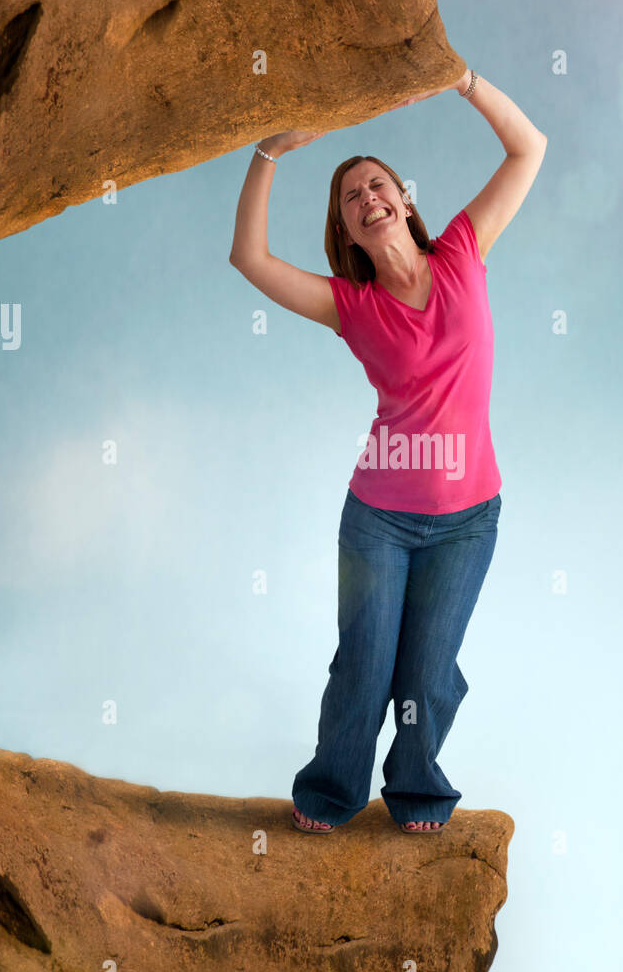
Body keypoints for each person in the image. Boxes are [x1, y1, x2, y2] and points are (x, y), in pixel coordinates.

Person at [229, 68, 546, 833]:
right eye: (350, 197)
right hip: (378, 519)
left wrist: (459, 81)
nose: (367, 197)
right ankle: (331, 792)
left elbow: (527, 148)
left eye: (375, 185)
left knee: (427, 675)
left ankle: (418, 791)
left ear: (402, 199)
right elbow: (250, 258)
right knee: (363, 670)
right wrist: (268, 153)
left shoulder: (465, 251)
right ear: (346, 230)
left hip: (468, 519)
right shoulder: (351, 306)